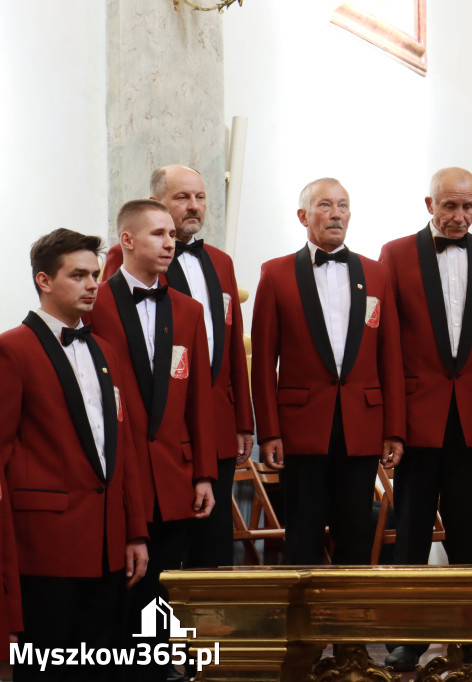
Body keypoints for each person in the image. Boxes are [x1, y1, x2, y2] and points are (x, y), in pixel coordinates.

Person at [0, 229, 147, 679]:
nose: (91, 285)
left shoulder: (105, 351)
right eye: (78, 275)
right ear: (44, 281)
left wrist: (135, 532)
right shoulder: (11, 350)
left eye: (95, 275)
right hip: (44, 545)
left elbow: (121, 450)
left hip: (106, 543)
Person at [378, 168, 472, 671]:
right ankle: (409, 636)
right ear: (428, 203)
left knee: (469, 534)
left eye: (467, 207)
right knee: (410, 534)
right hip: (416, 419)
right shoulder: (394, 254)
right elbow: (387, 343)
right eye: (449, 206)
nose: (459, 216)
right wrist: (392, 424)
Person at [88, 200, 216, 682]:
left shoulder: (188, 309)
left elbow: (198, 399)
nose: (170, 243)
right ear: (126, 240)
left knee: (164, 583)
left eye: (171, 235)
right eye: (159, 234)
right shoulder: (94, 303)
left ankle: (162, 669)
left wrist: (204, 471)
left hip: (172, 472)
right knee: (118, 583)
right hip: (116, 472)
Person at [104, 165, 254, 569]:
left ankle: (206, 632)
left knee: (213, 546)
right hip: (152, 426)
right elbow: (117, 341)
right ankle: (155, 633)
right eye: (182, 197)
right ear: (157, 203)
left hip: (212, 426)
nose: (193, 206)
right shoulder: (123, 261)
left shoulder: (221, 262)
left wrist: (244, 417)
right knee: (158, 561)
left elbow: (232, 345)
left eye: (200, 197)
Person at [250, 178, 404, 567]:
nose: (336, 214)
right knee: (301, 534)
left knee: (356, 534)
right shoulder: (276, 273)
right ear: (303, 216)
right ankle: (303, 624)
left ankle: (351, 622)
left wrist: (394, 430)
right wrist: (268, 430)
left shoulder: (377, 274)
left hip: (362, 423)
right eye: (324, 205)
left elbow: (391, 358)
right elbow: (264, 361)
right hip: (301, 427)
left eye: (343, 205)